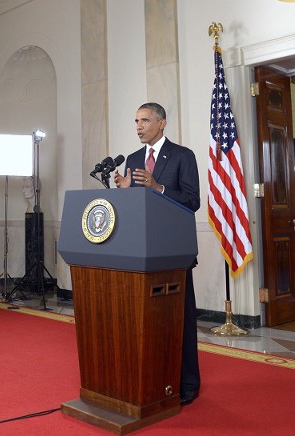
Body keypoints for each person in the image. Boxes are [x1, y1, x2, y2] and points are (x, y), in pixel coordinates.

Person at [113, 102, 201, 406]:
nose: (138, 126)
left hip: (173, 253)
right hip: (141, 252)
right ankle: (152, 378)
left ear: (161, 123)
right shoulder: (134, 159)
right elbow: (137, 209)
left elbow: (192, 200)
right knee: (147, 323)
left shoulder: (182, 156)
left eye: (145, 120)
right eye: (136, 120)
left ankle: (187, 384)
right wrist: (125, 191)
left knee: (180, 321)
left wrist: (158, 186)